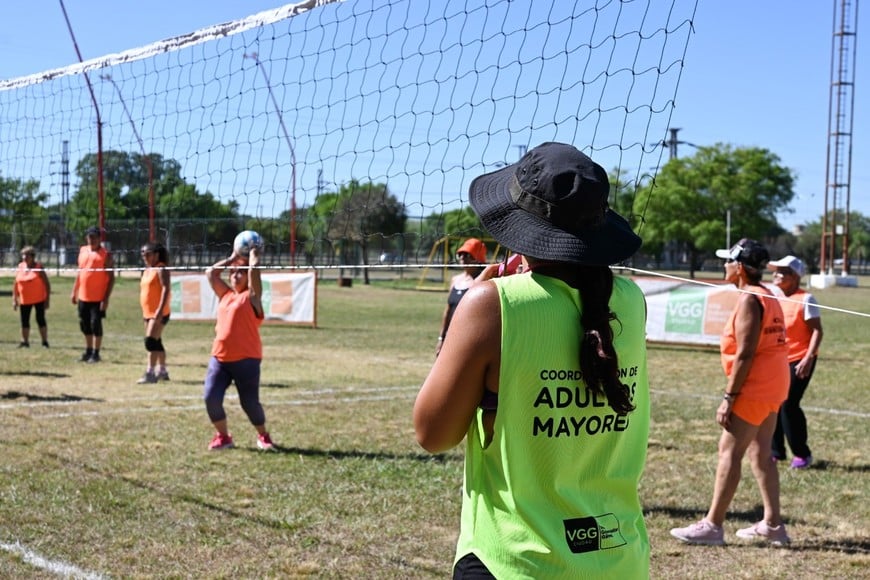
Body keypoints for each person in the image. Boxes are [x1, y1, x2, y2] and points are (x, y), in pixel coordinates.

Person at [414, 142, 651, 578]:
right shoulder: (632, 301)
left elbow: (433, 434)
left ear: (520, 229)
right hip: (620, 559)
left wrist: (473, 314)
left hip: (516, 561)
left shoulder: (492, 305)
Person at [670, 238, 790, 546]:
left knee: (729, 452)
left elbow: (745, 354)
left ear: (739, 267)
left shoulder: (751, 299)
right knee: (762, 454)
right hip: (774, 384)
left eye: (727, 261)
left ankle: (712, 525)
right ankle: (773, 525)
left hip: (755, 387)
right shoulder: (767, 294)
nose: (724, 265)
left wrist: (729, 398)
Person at [203, 245, 275, 451]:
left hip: (247, 359)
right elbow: (210, 273)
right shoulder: (225, 294)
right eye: (232, 271)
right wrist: (232, 258)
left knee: (249, 404)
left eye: (240, 272)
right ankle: (224, 437)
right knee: (211, 398)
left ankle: (263, 436)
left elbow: (255, 277)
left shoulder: (251, 298)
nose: (235, 274)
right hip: (220, 359)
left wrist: (253, 259)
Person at [768, 255, 823, 469]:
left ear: (794, 276)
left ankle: (802, 454)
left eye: (781, 271)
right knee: (773, 403)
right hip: (778, 359)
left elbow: (817, 331)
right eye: (775, 270)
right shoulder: (775, 296)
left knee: (789, 404)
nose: (775, 274)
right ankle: (776, 452)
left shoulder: (806, 299)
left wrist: (808, 358)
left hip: (801, 358)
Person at [435, 238, 487, 356]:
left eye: (467, 254)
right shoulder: (455, 280)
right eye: (460, 254)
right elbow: (447, 311)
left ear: (477, 258)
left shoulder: (483, 282)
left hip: (470, 338)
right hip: (452, 335)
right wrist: (441, 338)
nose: (463, 257)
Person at [71, 227, 115, 363]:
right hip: (83, 296)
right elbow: (80, 273)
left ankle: (96, 353)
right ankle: (88, 350)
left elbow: (111, 277)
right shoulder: (83, 251)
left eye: (95, 237)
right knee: (84, 325)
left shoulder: (105, 255)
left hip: (98, 298)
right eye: (90, 237)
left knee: (95, 323)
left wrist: (106, 298)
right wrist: (74, 291)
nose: (92, 239)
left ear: (99, 238)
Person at [137, 242, 172, 384]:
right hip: (147, 312)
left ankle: (150, 373)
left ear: (156, 254)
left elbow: (165, 289)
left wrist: (159, 310)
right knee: (156, 341)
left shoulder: (161, 268)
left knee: (150, 341)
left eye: (148, 254)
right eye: (143, 254)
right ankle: (163, 371)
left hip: (159, 312)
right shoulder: (147, 270)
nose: (145, 256)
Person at [12, 246, 51, 348]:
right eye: (23, 255)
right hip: (24, 300)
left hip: (39, 299)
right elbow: (16, 283)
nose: (24, 257)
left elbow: (47, 284)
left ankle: (44, 342)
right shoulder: (20, 266)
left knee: (40, 319)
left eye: (27, 255)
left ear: (32, 256)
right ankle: (24, 341)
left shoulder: (38, 267)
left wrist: (47, 300)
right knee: (24, 321)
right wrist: (14, 299)